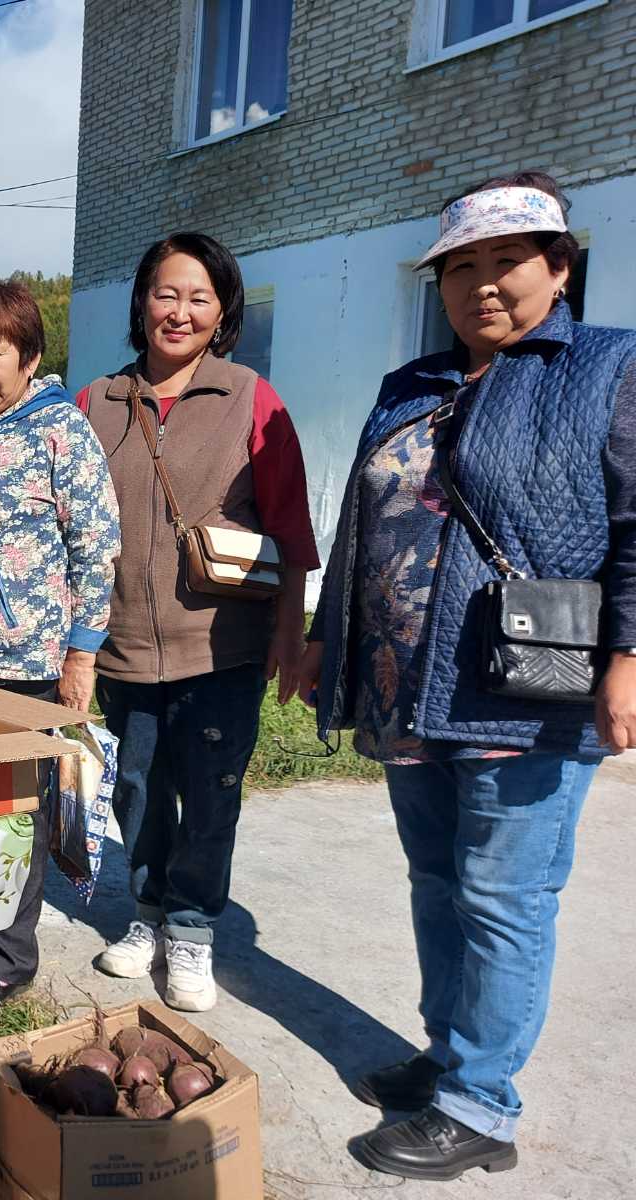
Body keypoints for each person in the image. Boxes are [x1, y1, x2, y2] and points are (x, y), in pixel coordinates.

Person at [299, 171, 636, 1182]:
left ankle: (480, 1106)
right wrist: (326, 639)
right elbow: (358, 522)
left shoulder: (607, 369)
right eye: (460, 268)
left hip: (522, 689)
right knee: (438, 882)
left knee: (503, 896)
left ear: (559, 267)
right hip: (410, 687)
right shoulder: (410, 382)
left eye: (506, 261)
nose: (481, 284)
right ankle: (450, 1058)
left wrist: (628, 656)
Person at [79, 232, 318, 1012]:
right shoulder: (97, 402)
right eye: (165, 293)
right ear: (141, 302)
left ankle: (190, 929)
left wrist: (290, 633)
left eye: (198, 298)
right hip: (122, 645)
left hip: (222, 648)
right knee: (136, 791)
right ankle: (145, 913)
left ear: (222, 314)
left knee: (213, 794)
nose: (178, 311)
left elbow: (290, 527)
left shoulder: (251, 397)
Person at [0, 280, 120, 1006]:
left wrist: (82, 653)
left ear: (29, 357)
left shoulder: (60, 429)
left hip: (25, 661)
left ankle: (9, 954)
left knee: (17, 816)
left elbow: (96, 544)